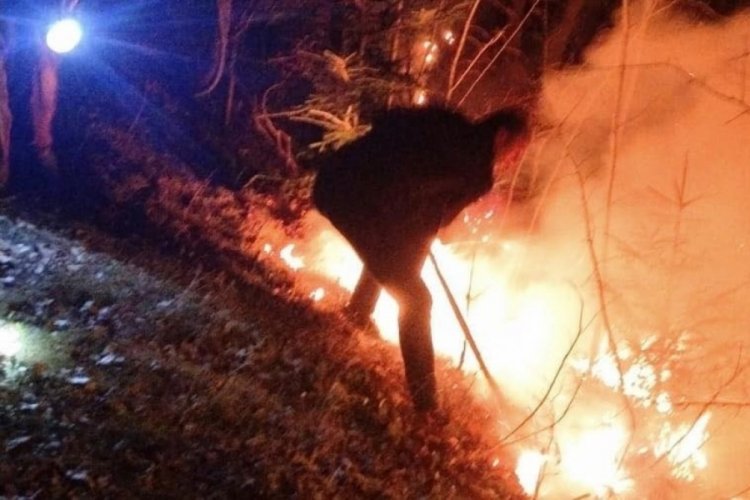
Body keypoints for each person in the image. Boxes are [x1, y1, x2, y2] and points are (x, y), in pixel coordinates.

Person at [313, 106, 530, 411]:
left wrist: (412, 229)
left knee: (397, 255)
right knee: (417, 300)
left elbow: (387, 121)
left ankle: (358, 314)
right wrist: (413, 226)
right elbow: (430, 209)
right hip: (357, 204)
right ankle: (425, 402)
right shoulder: (476, 170)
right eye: (516, 150)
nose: (514, 160)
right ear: (502, 135)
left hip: (332, 179)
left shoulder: (448, 122)